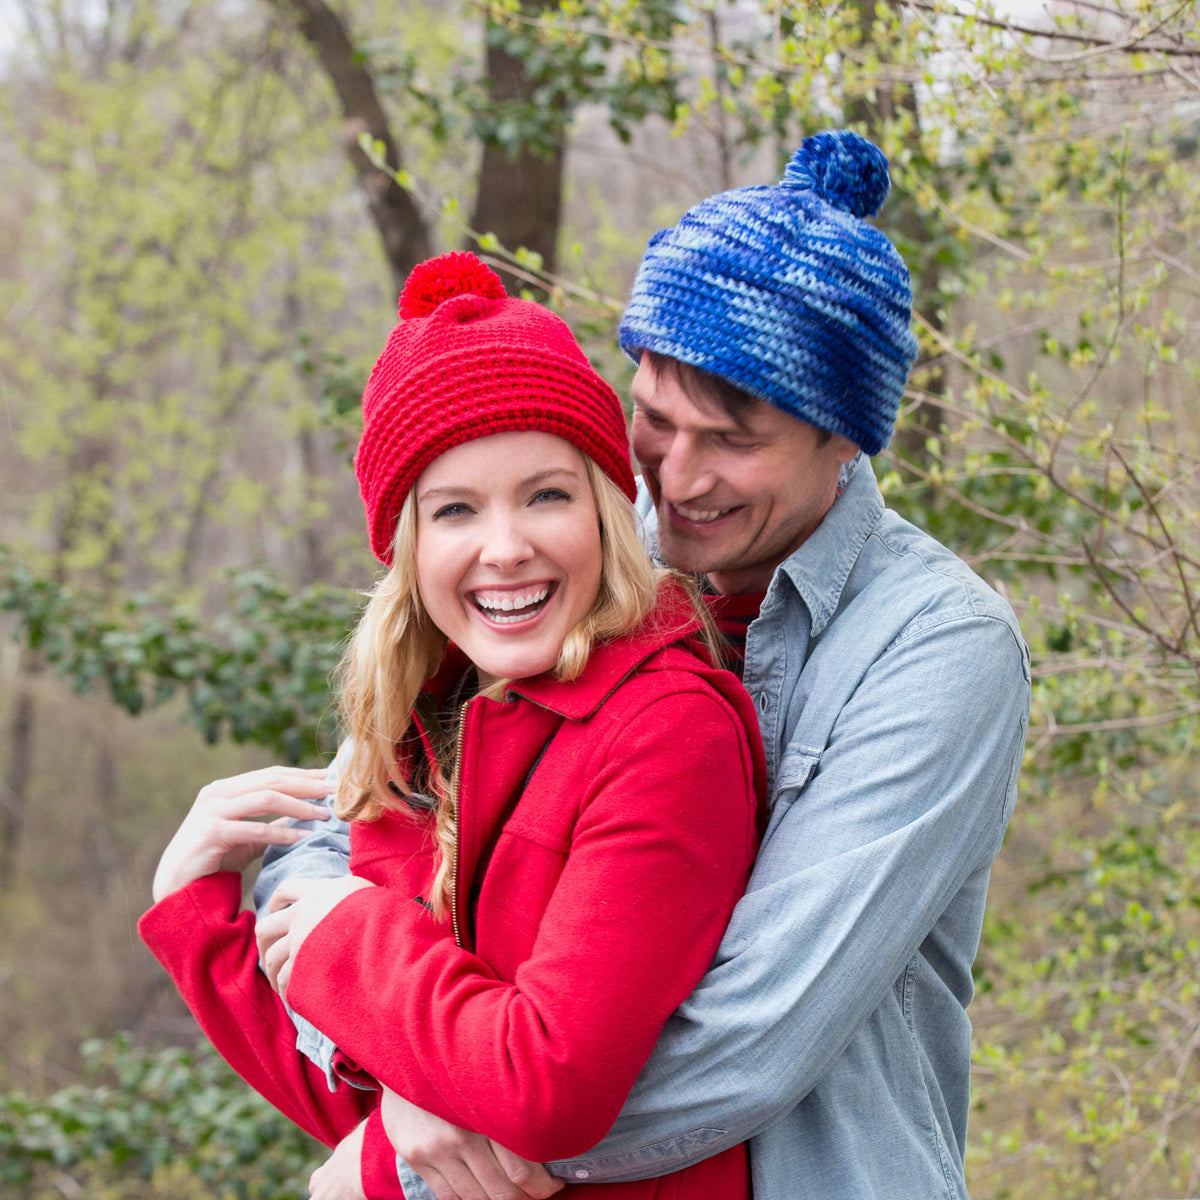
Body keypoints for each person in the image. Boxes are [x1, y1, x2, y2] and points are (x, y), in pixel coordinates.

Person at [259, 129, 1032, 1200]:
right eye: (654, 420)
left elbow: (749, 1038)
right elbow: (349, 820)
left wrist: (413, 1153)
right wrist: (382, 1033)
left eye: (731, 440)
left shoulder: (937, 649)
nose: (675, 477)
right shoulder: (586, 538)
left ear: (846, 439)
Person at [138, 251, 766, 1199]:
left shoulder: (666, 728)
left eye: (547, 495)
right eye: (455, 510)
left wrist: (350, 934)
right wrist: (195, 912)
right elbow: (370, 1101)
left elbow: (547, 1087)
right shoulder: (425, 727)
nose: (505, 548)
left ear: (604, 512)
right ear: (409, 545)